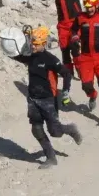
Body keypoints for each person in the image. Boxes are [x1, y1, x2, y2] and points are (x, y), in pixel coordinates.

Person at [10, 25, 82, 167]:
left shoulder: (50, 59)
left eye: (36, 44)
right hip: (32, 98)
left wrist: (66, 91)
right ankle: (51, 158)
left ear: (44, 43)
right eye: (32, 44)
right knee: (36, 129)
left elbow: (66, 73)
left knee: (55, 131)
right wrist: (8, 48)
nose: (34, 47)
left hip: (48, 99)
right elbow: (18, 57)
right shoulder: (30, 57)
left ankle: (70, 129)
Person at [38, 0, 82, 106]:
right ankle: (68, 74)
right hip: (62, 25)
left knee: (75, 48)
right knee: (64, 50)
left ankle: (80, 69)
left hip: (75, 22)